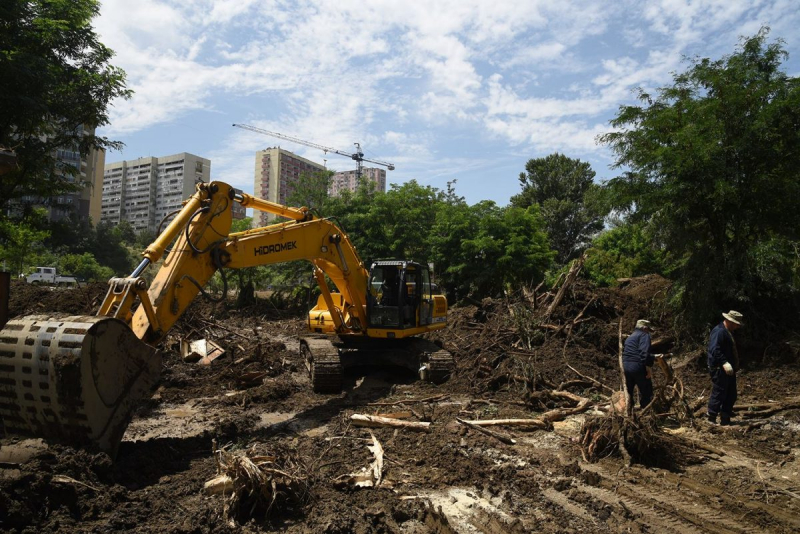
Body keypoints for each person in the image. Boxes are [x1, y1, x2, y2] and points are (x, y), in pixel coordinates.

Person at [707, 310, 744, 425]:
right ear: (729, 321)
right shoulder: (719, 332)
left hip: (728, 369)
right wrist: (724, 362)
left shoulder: (727, 331)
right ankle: (711, 416)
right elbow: (714, 349)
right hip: (719, 368)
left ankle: (725, 416)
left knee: (731, 393)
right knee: (719, 392)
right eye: (736, 324)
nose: (737, 326)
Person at [622, 319, 660, 409]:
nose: (648, 332)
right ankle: (646, 412)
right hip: (637, 366)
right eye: (648, 330)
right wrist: (648, 367)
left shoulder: (630, 337)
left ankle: (629, 411)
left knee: (628, 392)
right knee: (647, 390)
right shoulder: (644, 335)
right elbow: (644, 354)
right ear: (644, 328)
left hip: (625, 366)